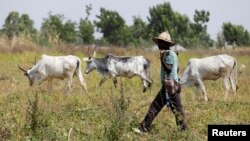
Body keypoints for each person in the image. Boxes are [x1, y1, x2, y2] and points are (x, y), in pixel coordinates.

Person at [133, 31, 187, 134]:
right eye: (158, 42)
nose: (158, 44)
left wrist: (162, 60)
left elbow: (169, 69)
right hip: (169, 86)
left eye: (160, 42)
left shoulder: (167, 55)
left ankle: (184, 132)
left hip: (170, 88)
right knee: (158, 107)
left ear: (165, 43)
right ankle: (143, 128)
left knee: (176, 111)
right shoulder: (172, 54)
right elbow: (177, 68)